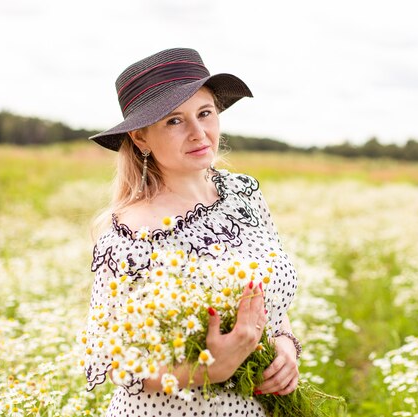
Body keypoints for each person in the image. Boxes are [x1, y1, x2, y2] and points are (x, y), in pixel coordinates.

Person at [84, 47, 302, 417]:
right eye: (174, 121)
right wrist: (209, 369)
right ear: (140, 138)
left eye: (205, 113)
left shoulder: (245, 195)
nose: (199, 133)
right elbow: (114, 360)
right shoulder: (128, 235)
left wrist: (286, 346)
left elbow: (272, 303)